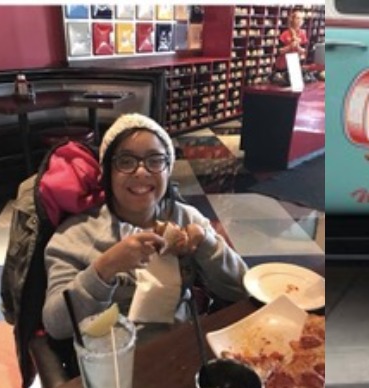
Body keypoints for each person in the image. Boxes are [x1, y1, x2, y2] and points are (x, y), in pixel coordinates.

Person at [42, 113, 249, 340]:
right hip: (115, 358)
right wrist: (105, 267)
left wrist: (207, 244)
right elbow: (56, 325)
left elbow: (242, 289)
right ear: (106, 173)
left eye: (155, 160)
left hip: (184, 347)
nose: (141, 172)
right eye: (126, 161)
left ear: (168, 170)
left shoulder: (186, 219)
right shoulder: (75, 236)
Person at [273, 8, 311, 85]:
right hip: (283, 65)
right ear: (292, 20)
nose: (300, 20)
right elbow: (279, 51)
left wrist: (298, 47)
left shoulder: (303, 34)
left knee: (296, 86)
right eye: (298, 18)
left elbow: (304, 51)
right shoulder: (285, 34)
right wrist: (290, 46)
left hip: (295, 63)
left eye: (301, 18)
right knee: (283, 86)